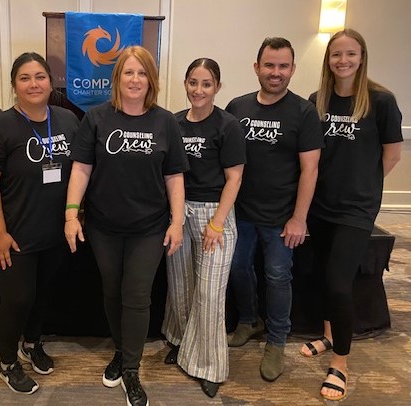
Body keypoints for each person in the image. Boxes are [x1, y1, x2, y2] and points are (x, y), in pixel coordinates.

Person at [65, 45, 189, 406]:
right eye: (128, 72)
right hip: (103, 226)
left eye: (142, 73)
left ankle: (131, 370)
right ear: (117, 78)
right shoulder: (97, 118)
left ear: (151, 80)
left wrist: (177, 221)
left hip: (149, 228)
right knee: (112, 291)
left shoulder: (165, 122)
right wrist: (71, 214)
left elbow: (174, 177)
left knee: (136, 295)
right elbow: (81, 169)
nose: (135, 79)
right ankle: (121, 351)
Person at [301, 29, 403, 401]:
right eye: (336, 55)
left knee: (339, 284)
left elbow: (392, 154)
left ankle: (340, 362)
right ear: (328, 60)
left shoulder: (381, 101)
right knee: (322, 274)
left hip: (356, 210)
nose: (343, 61)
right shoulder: (317, 100)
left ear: (362, 57)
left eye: (350, 54)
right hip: (320, 205)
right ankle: (329, 335)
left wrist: (364, 185)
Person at [0, 52, 79, 395]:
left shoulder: (67, 120)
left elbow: (80, 171)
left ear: (51, 82)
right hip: (13, 234)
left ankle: (31, 344)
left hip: (53, 231)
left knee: (41, 294)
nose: (34, 84)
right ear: (14, 85)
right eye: (25, 78)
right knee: (18, 299)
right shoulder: (0, 127)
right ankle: (7, 362)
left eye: (40, 77)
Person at [225, 37, 322, 382]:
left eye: (283, 66)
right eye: (269, 65)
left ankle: (277, 340)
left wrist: (299, 218)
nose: (275, 72)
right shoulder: (236, 107)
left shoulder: (304, 113)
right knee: (238, 268)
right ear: (257, 67)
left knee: (278, 276)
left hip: (282, 217)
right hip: (241, 213)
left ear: (293, 69)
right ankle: (249, 320)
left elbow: (310, 169)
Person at [162, 58, 245, 398]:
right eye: (193, 82)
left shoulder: (228, 125)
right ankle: (182, 343)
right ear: (185, 84)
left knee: (209, 294)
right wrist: (174, 217)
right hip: (179, 212)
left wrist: (217, 223)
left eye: (206, 84)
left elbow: (234, 178)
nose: (199, 90)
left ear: (217, 87)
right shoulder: (174, 122)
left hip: (215, 214)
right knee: (180, 286)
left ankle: (209, 366)